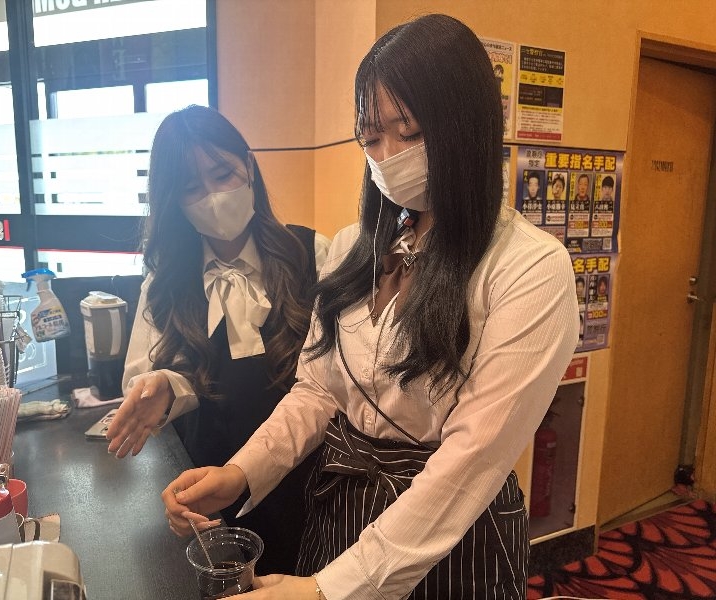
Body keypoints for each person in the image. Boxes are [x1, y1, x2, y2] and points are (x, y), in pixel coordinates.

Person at [162, 15, 578, 600]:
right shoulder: (354, 247)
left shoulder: (529, 268)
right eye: (371, 138)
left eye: (409, 132)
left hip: (451, 533)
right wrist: (241, 472)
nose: (388, 156)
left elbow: (471, 461)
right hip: (342, 504)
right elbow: (317, 390)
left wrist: (328, 590)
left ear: (468, 127)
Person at [105, 105, 331, 575]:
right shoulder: (164, 282)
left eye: (222, 174)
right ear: (174, 201)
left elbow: (334, 382)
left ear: (248, 166)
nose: (212, 196)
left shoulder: (313, 252)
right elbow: (140, 388)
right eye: (191, 188)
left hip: (311, 490)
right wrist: (165, 386)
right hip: (209, 496)